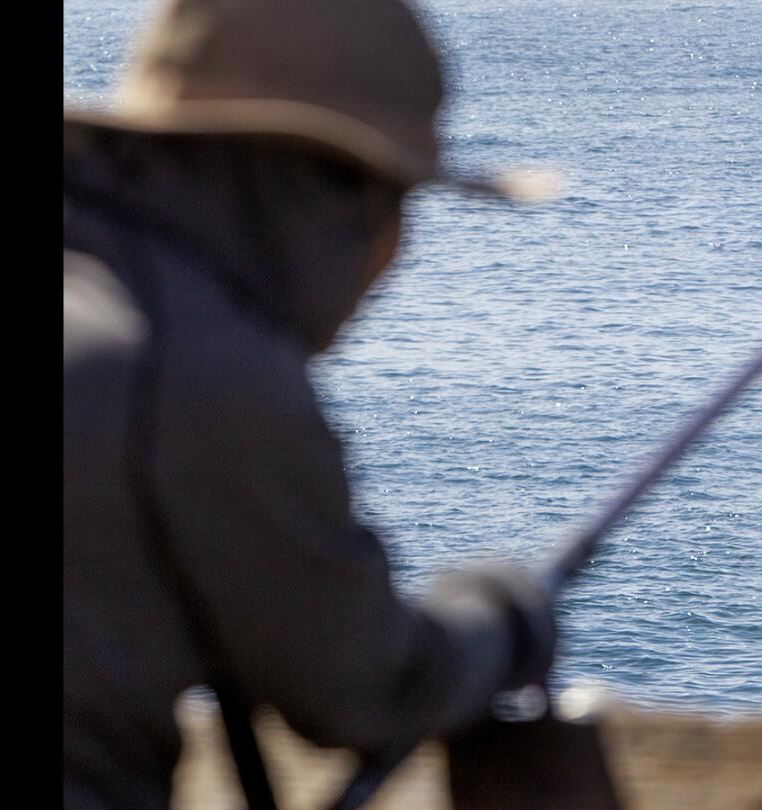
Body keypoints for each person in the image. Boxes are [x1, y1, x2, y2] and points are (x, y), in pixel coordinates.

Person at [63, 1, 557, 806]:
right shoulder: (207, 376)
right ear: (328, 198)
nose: (397, 255)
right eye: (400, 204)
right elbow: (364, 689)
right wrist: (507, 617)